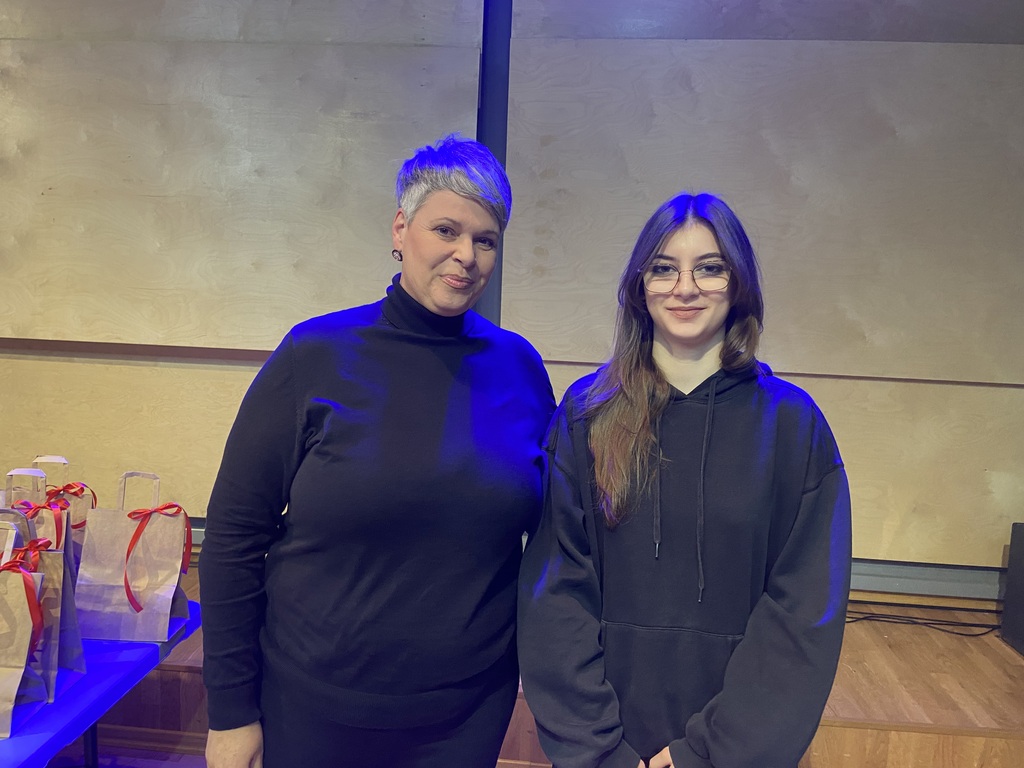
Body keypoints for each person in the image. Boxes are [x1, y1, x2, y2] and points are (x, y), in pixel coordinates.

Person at [200, 134, 555, 768]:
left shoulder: (520, 369)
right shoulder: (314, 355)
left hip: (466, 716)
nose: (466, 255)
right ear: (400, 228)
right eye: (446, 230)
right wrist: (231, 714)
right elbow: (233, 537)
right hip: (310, 709)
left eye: (486, 240)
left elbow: (549, 537)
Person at [518, 192, 852, 768]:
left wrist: (709, 753)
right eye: (664, 268)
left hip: (734, 750)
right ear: (639, 286)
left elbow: (800, 616)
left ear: (738, 283)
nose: (685, 288)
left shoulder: (792, 425)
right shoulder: (586, 414)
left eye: (709, 268)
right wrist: (598, 750)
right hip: (604, 745)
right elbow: (555, 596)